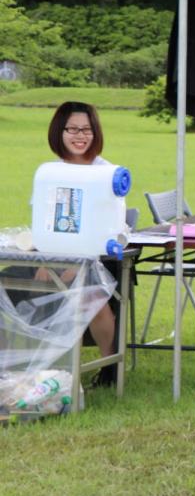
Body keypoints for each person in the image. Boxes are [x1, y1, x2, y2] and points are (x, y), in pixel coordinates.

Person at [46, 101, 121, 387]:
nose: (80, 135)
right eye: (73, 129)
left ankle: (108, 368)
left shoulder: (107, 172)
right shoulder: (50, 172)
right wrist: (50, 260)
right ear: (59, 132)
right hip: (58, 256)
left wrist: (74, 264)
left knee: (90, 294)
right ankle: (25, 364)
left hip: (99, 256)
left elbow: (109, 226)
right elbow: (46, 222)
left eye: (86, 129)